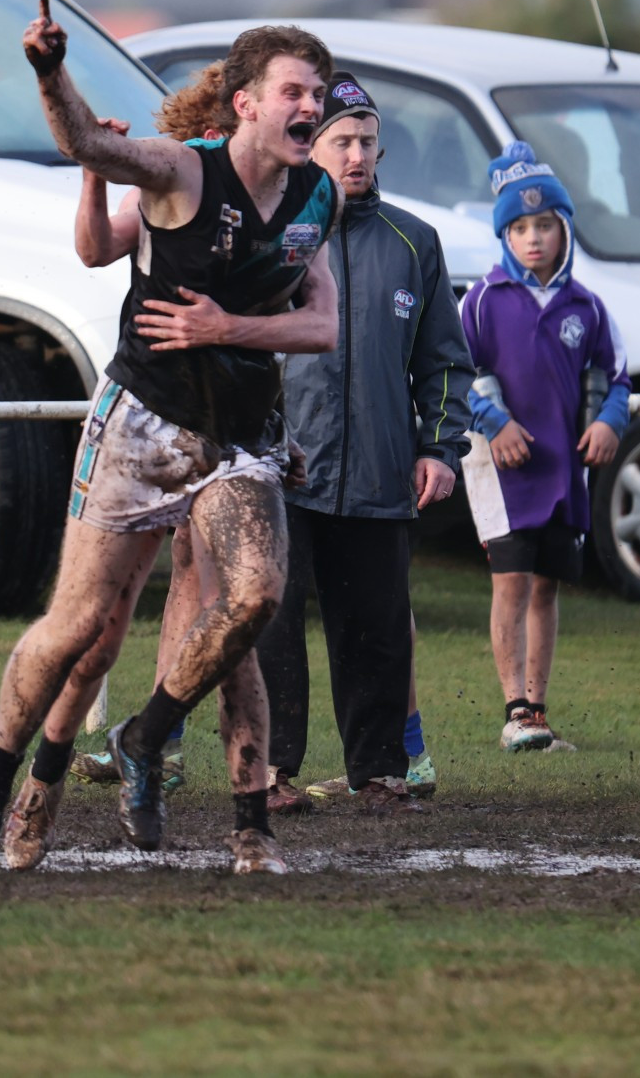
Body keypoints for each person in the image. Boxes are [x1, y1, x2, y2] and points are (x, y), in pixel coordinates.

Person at [0, 2, 342, 876]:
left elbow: (322, 326)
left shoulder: (318, 195)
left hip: (238, 436)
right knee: (81, 626)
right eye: (293, 92)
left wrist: (225, 328)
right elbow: (86, 142)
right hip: (144, 425)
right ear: (244, 104)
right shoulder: (181, 172)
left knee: (255, 599)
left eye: (318, 92)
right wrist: (50, 73)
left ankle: (160, 748)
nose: (311, 107)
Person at [252, 73, 473, 813]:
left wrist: (439, 450)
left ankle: (378, 771)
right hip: (285, 472)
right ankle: (271, 773)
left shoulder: (417, 242)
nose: (355, 155)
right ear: (311, 147)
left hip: (381, 473)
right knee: (273, 623)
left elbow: (445, 360)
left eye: (367, 142)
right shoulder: (277, 234)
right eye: (341, 140)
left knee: (376, 629)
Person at [459, 142, 628, 752]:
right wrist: (494, 422)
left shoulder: (589, 307)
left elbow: (617, 376)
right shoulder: (480, 301)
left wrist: (609, 420)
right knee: (511, 580)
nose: (534, 239)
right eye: (521, 227)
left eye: (546, 226)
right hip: (502, 468)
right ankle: (512, 709)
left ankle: (537, 709)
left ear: (565, 230)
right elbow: (457, 372)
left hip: (562, 470)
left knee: (548, 585)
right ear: (505, 233)